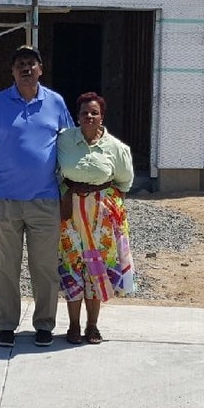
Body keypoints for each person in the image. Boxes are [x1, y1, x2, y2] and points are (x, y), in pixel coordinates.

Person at [0, 45, 74, 347]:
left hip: (46, 201)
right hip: (5, 201)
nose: (26, 68)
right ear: (12, 71)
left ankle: (44, 324)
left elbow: (70, 150)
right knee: (5, 266)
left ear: (41, 69)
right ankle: (6, 325)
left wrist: (68, 195)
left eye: (32, 63)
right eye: (20, 64)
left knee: (44, 267)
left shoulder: (55, 103)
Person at [56, 91, 135, 344]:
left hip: (101, 218)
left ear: (102, 117)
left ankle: (92, 326)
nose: (89, 116)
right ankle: (73, 326)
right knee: (72, 267)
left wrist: (106, 203)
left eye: (94, 113)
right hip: (71, 216)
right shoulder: (64, 140)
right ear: (76, 117)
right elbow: (54, 171)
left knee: (96, 269)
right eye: (84, 113)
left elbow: (125, 181)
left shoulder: (115, 147)